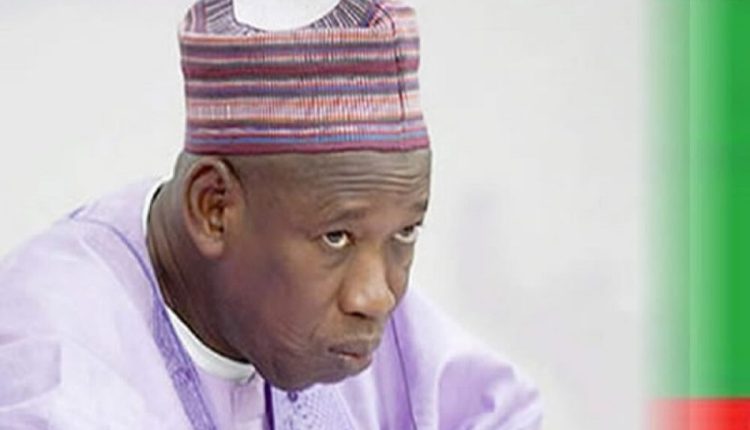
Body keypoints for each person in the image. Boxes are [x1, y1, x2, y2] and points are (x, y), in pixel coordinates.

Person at [0, 0, 542, 428]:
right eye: (337, 236)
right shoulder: (56, 357)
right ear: (214, 208)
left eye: (405, 232)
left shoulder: (358, 311)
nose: (377, 297)